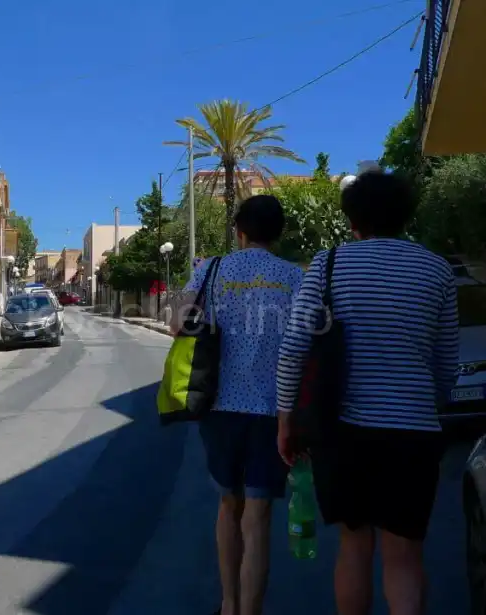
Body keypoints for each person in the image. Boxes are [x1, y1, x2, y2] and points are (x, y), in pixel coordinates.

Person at [276, 170, 459, 615]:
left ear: (352, 219)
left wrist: (286, 421)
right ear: (406, 215)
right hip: (414, 436)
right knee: (405, 555)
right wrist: (423, 407)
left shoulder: (329, 264)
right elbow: (446, 365)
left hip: (343, 433)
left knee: (354, 546)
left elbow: (295, 347)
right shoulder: (438, 270)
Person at [175, 195, 303, 615]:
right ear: (279, 234)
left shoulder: (211, 270)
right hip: (275, 409)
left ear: (239, 232)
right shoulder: (294, 278)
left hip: (220, 406)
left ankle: (228, 605)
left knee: (229, 505)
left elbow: (177, 324)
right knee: (259, 514)